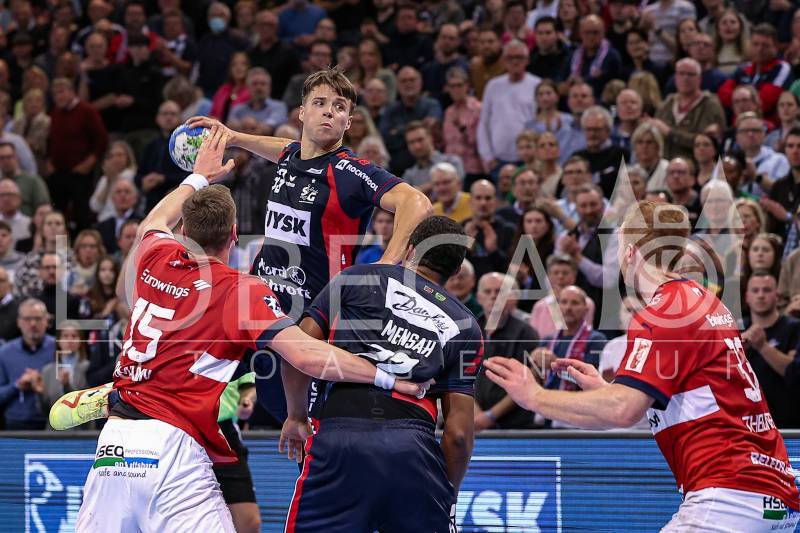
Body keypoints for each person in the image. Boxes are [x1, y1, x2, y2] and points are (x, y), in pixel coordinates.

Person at [69, 126, 427, 531]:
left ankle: (117, 388)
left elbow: (153, 221)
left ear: (183, 232)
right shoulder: (241, 291)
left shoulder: (154, 253)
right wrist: (388, 378)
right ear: (235, 236)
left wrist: (198, 177)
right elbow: (307, 355)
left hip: (114, 445)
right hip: (172, 448)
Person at [484, 200, 800, 530]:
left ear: (631, 253)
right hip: (770, 493)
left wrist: (534, 396)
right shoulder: (704, 301)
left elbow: (623, 410)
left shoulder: (664, 313)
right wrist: (607, 391)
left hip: (729, 493)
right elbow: (680, 402)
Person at [188, 68, 432, 423]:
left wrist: (386, 265)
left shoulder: (349, 171)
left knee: (302, 424)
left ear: (348, 122)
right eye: (319, 103)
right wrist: (234, 137)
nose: (329, 111)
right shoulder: (290, 156)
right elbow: (283, 149)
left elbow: (417, 203)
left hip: (312, 322)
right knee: (194, 373)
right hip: (260, 305)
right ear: (301, 112)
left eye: (339, 106)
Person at [279, 215, 482, 532]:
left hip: (340, 437)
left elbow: (297, 352)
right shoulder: (467, 326)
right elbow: (458, 436)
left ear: (410, 249)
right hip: (413, 450)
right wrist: (445, 499)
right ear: (456, 271)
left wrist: (296, 416)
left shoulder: (355, 278)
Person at [529, 285, 607, 428]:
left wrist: (555, 363)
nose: (568, 308)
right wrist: (534, 363)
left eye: (574, 303)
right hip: (547, 415)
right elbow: (535, 381)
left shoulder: (596, 340)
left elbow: (594, 383)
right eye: (563, 302)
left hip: (580, 418)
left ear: (586, 309)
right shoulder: (547, 340)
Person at [473, 272, 539, 430]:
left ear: (512, 298)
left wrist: (490, 416)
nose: (493, 296)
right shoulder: (469, 330)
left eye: (499, 291)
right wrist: (476, 414)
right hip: (473, 421)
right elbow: (458, 377)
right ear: (479, 298)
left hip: (515, 426)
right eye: (487, 291)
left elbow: (530, 379)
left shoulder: (526, 333)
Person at [742, 271, 800, 428]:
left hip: (789, 424)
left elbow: (795, 372)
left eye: (766, 290)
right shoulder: (736, 329)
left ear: (777, 297)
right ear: (747, 297)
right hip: (748, 423)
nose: (761, 295)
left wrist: (763, 346)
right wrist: (738, 349)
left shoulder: (794, 328)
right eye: (755, 290)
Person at [477, 40, 540, 174]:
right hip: (498, 161)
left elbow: (541, 121)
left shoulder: (536, 85)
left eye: (519, 57)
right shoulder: (493, 86)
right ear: (504, 60)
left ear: (527, 60)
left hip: (529, 159)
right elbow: (484, 122)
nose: (515, 62)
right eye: (510, 58)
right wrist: (487, 156)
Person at [652, 58, 727, 160]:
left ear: (700, 79)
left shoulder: (710, 104)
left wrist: (669, 132)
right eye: (681, 73)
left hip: (695, 164)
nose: (685, 78)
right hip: (666, 164)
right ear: (675, 77)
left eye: (690, 74)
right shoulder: (666, 105)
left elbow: (702, 141)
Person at [0, 298, 53, 429]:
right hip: (15, 424)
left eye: (38, 318)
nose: (33, 324)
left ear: (46, 320)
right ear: (18, 322)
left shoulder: (59, 349)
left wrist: (43, 386)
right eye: (27, 319)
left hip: (52, 424)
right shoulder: (5, 352)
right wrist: (17, 385)